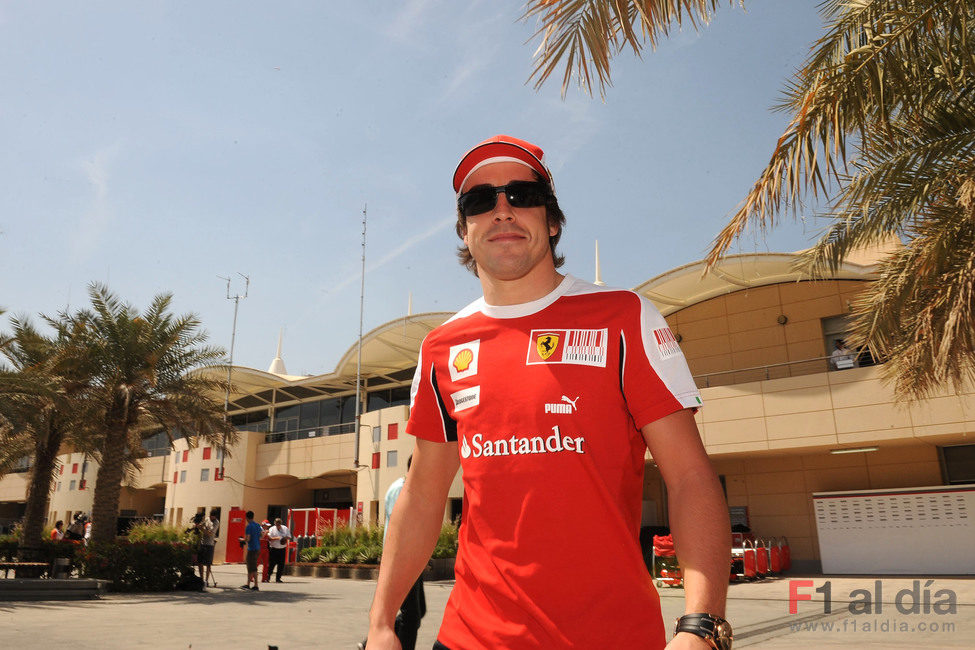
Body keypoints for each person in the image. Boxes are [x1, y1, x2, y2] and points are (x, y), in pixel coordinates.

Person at [367, 135, 732, 649]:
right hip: (469, 637)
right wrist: (381, 623)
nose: (501, 211)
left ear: (552, 220)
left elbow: (691, 476)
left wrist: (702, 626)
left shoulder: (624, 317)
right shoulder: (441, 348)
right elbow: (424, 493)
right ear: (464, 230)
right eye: (480, 201)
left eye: (521, 194)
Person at [360, 456, 427, 650]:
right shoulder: (401, 489)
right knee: (412, 616)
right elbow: (403, 527)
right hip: (401, 560)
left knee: (418, 611)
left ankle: (371, 641)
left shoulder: (408, 488)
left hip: (411, 559)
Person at [266, 517, 292, 583]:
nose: (278, 525)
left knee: (281, 565)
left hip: (282, 549)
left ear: (281, 523)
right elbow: (269, 538)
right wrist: (277, 538)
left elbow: (289, 536)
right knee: (271, 564)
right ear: (275, 523)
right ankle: (268, 577)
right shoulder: (271, 529)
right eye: (277, 524)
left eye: (279, 524)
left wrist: (284, 538)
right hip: (274, 549)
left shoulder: (285, 528)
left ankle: (278, 578)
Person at [241, 511, 261, 591]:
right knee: (252, 567)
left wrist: (242, 540)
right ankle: (248, 584)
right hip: (257, 547)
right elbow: (261, 535)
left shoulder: (249, 526)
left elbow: (248, 538)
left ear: (247, 517)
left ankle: (255, 585)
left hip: (252, 548)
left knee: (252, 567)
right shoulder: (257, 525)